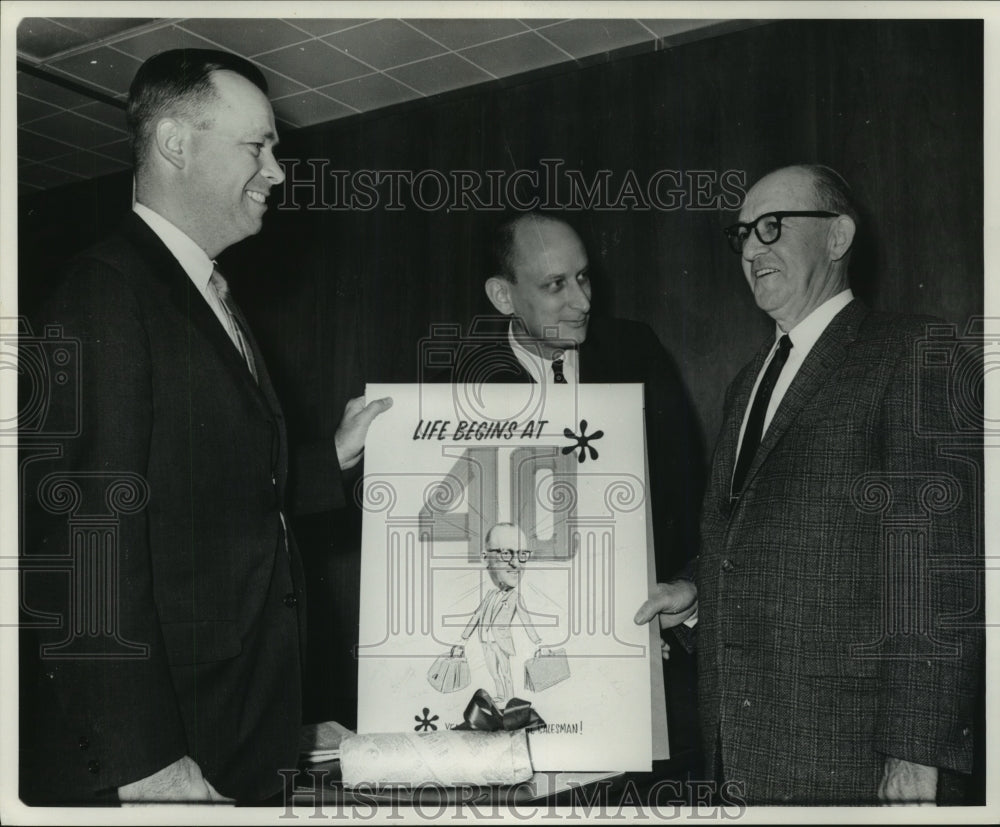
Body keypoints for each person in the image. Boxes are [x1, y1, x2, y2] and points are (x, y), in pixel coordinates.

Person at [19, 49, 390, 805]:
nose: (278, 171)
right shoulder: (105, 292)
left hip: (236, 720)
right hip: (170, 746)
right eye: (257, 146)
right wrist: (145, 761)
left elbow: (218, 487)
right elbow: (85, 540)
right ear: (175, 143)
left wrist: (332, 455)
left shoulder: (202, 291)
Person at [641, 164, 982, 804]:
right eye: (741, 233)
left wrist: (916, 754)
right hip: (740, 752)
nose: (750, 248)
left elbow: (938, 573)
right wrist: (695, 593)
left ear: (837, 236)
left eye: (772, 227)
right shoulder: (748, 383)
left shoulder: (913, 352)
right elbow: (754, 541)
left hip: (852, 760)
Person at [433, 211, 704, 752]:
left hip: (641, 654)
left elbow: (687, 496)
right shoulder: (452, 380)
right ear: (502, 296)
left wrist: (655, 618)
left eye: (583, 277)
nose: (582, 301)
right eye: (556, 285)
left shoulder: (636, 352)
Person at [457, 522, 542, 701]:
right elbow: (476, 616)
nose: (516, 563)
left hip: (501, 642)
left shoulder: (515, 598)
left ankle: (510, 700)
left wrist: (538, 643)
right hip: (486, 640)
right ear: (485, 558)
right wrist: (462, 640)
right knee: (493, 673)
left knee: (505, 673)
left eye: (522, 554)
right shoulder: (489, 595)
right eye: (506, 554)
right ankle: (501, 696)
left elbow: (526, 620)